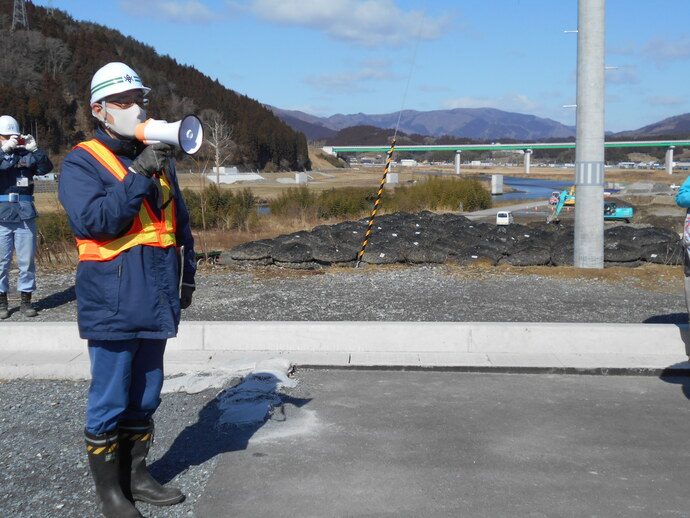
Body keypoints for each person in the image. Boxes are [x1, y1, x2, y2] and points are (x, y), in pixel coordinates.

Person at [58, 62, 197, 518]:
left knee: (146, 393)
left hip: (156, 292)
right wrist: (138, 173)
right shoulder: (82, 160)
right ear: (99, 110)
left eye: (139, 98)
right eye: (123, 101)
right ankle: (110, 493)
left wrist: (188, 275)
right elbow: (95, 222)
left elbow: (178, 223)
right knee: (111, 395)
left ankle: (137, 476)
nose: (135, 108)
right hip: (113, 296)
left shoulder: (154, 155)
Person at [0, 115, 53, 319]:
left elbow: (45, 168)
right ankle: (2, 302)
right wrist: (3, 151)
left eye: (13, 136)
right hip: (2, 216)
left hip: (24, 215)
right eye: (6, 136)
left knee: (27, 262)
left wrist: (35, 150)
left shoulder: (27, 154)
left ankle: (26, 301)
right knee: (1, 263)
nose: (11, 140)